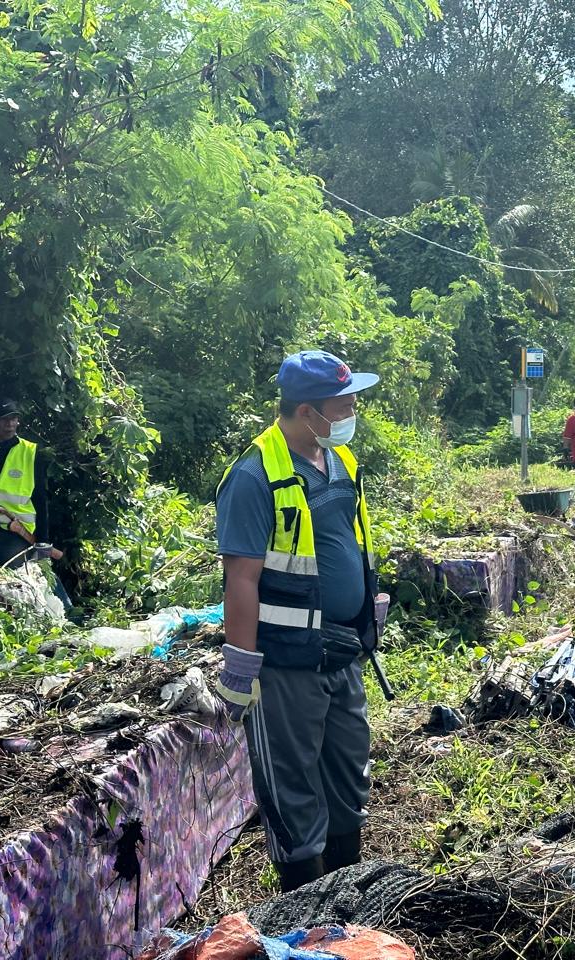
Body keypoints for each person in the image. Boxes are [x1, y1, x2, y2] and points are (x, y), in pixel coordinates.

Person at [215, 350, 382, 893]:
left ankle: (346, 899)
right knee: (292, 786)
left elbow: (344, 541)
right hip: (286, 660)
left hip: (342, 650)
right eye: (344, 402)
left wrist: (364, 608)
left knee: (347, 776)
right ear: (308, 410)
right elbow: (241, 578)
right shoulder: (253, 475)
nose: (353, 408)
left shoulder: (341, 461)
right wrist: (241, 668)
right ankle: (304, 906)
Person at [0, 395, 66, 574]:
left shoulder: (30, 452)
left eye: (14, 418)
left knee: (13, 579)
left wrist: (43, 540)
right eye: (4, 419)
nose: (10, 424)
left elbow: (40, 498)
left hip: (16, 533)